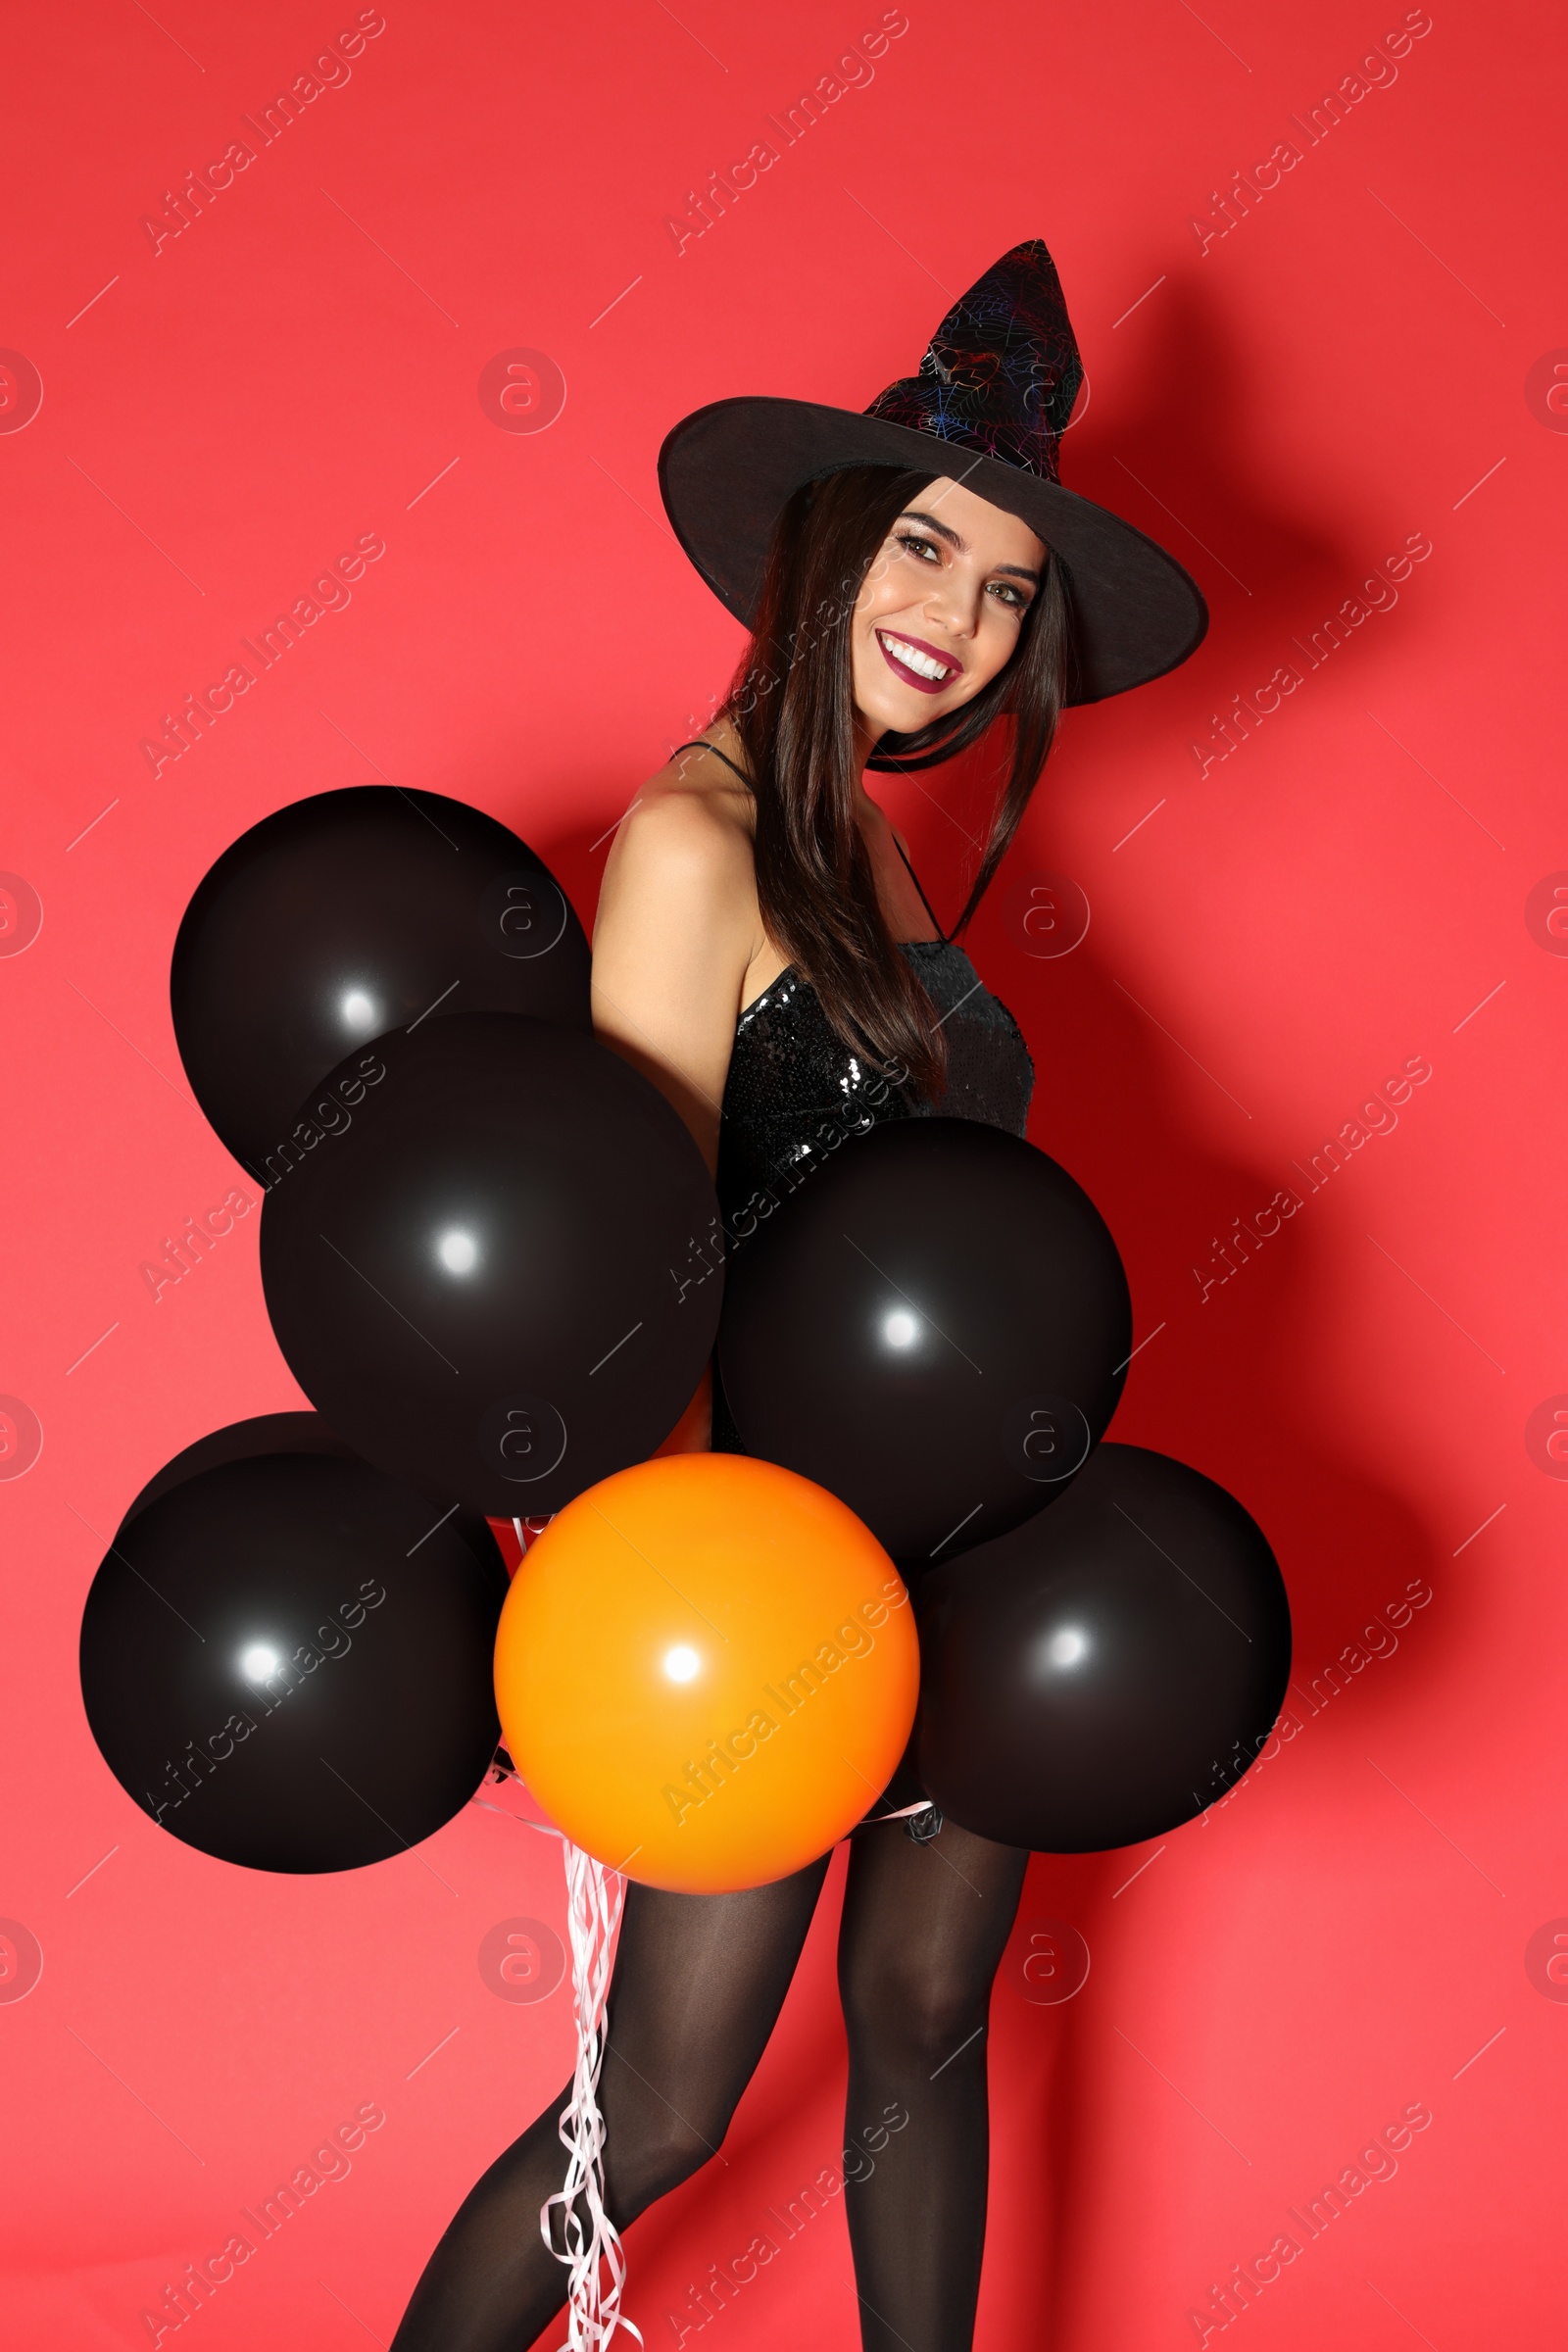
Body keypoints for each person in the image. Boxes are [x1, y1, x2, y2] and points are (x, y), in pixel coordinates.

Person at [392, 238, 1205, 2352]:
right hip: (764, 1557)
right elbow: (636, 1262)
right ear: (829, 547)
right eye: (925, 548)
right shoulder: (692, 842)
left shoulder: (884, 852)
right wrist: (677, 1614)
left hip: (967, 1538)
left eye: (1004, 591)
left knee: (927, 2030)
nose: (953, 617)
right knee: (654, 2109)